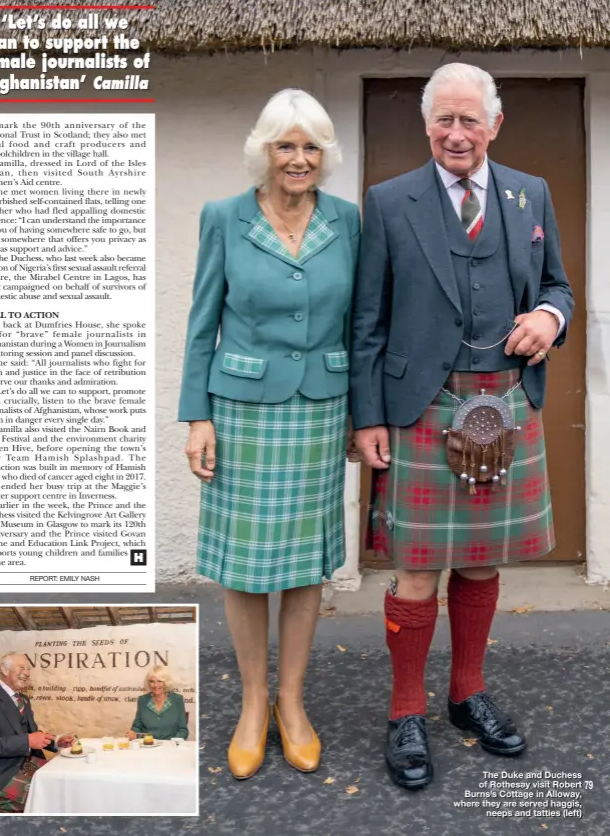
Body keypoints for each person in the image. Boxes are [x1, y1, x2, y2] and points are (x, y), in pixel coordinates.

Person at [350, 63, 573, 790]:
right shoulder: (388, 202)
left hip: (505, 403)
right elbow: (368, 321)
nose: (456, 133)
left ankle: (466, 693)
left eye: (469, 119)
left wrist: (550, 316)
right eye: (443, 119)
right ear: (426, 125)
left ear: (494, 125)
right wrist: (369, 417)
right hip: (423, 405)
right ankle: (405, 709)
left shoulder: (528, 192)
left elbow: (555, 285)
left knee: (481, 561)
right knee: (416, 574)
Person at [179, 88, 360, 779]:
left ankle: (293, 703)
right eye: (286, 145)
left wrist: (358, 410)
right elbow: (203, 324)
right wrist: (197, 416)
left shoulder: (348, 221)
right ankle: (253, 704)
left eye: (311, 146)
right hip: (243, 409)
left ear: (325, 156)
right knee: (247, 565)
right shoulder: (224, 218)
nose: (298, 158)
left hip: (320, 405)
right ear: (264, 150)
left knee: (307, 563)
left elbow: (358, 324)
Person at [0, 652, 74, 813]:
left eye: (29, 668)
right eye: (22, 667)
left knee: (65, 787)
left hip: (24, 766)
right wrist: (27, 741)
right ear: (5, 670)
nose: (27, 672)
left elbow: (32, 734)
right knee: (51, 801)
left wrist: (56, 742)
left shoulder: (23, 699)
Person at [127, 665, 189, 741]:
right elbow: (137, 726)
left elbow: (183, 730)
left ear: (166, 682)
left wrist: (171, 744)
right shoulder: (142, 700)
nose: (156, 685)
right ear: (148, 683)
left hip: (170, 747)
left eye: (159, 681)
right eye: (152, 681)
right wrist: (133, 733)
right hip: (148, 746)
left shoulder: (177, 700)